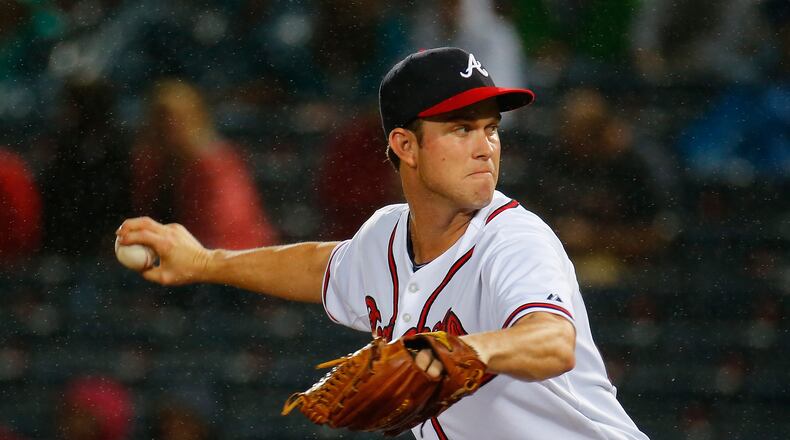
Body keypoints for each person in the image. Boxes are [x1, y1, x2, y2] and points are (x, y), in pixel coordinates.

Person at [117, 47, 648, 439]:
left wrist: (465, 350)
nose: (486, 146)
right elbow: (319, 266)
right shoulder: (387, 234)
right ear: (405, 145)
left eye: (491, 128)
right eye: (461, 129)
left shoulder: (513, 238)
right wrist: (206, 261)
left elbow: (553, 341)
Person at [131, 79, 279, 250]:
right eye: (161, 120)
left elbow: (228, 230)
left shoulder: (217, 165)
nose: (169, 128)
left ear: (197, 118)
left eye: (178, 119)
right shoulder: (150, 164)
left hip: (224, 259)